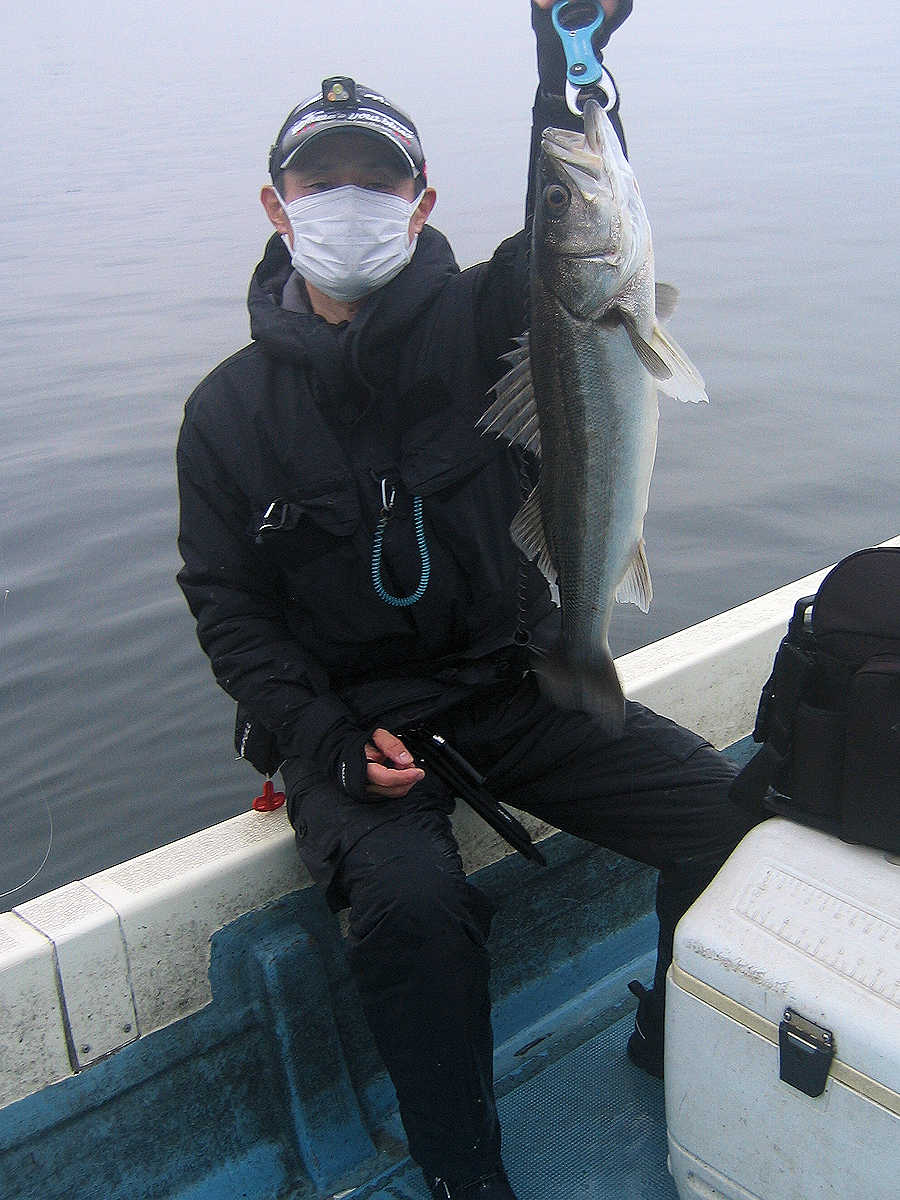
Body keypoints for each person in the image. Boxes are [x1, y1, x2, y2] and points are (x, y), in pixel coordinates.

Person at [177, 4, 754, 1197]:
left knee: (722, 813)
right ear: (277, 207)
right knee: (412, 912)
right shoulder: (224, 414)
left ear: (422, 201)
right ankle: (464, 1172)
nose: (349, 201)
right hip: (361, 730)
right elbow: (228, 606)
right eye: (320, 181)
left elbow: (576, 238)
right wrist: (328, 739)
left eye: (377, 180)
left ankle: (678, 1036)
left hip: (514, 675)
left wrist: (567, 75)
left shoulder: (494, 314)